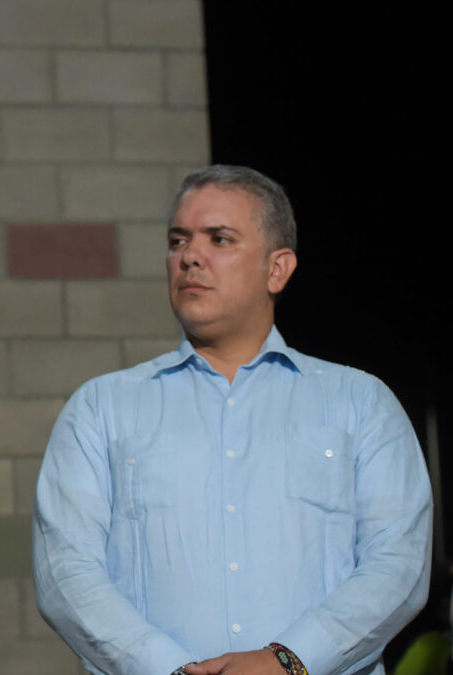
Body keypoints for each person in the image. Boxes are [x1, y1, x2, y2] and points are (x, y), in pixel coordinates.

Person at [32, 165, 430, 674]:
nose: (190, 257)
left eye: (219, 239)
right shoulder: (101, 409)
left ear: (277, 269)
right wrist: (170, 670)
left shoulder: (360, 403)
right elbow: (65, 574)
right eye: (178, 241)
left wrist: (287, 662)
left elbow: (399, 565)